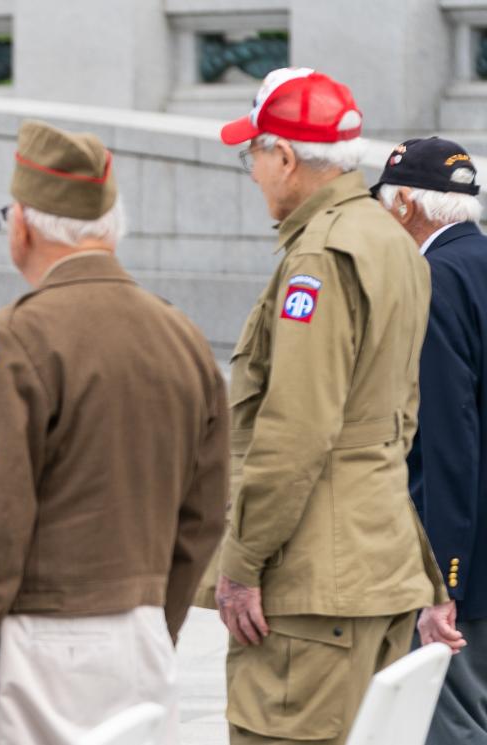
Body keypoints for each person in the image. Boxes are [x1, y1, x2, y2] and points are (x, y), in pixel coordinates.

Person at [0, 119, 229, 744]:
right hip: (144, 630)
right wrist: (155, 617)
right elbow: (203, 514)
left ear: (23, 224)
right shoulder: (182, 336)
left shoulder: (13, 338)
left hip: (43, 641)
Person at [209, 67, 448, 745]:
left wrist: (242, 563)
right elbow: (399, 419)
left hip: (316, 581)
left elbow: (295, 430)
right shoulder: (390, 240)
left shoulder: (318, 257)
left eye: (252, 153)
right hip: (377, 561)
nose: (252, 170)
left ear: (284, 156)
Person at [373, 136, 484, 743]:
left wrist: (445, 579)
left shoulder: (434, 279)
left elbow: (447, 437)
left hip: (468, 559)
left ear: (405, 207)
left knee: (454, 724)